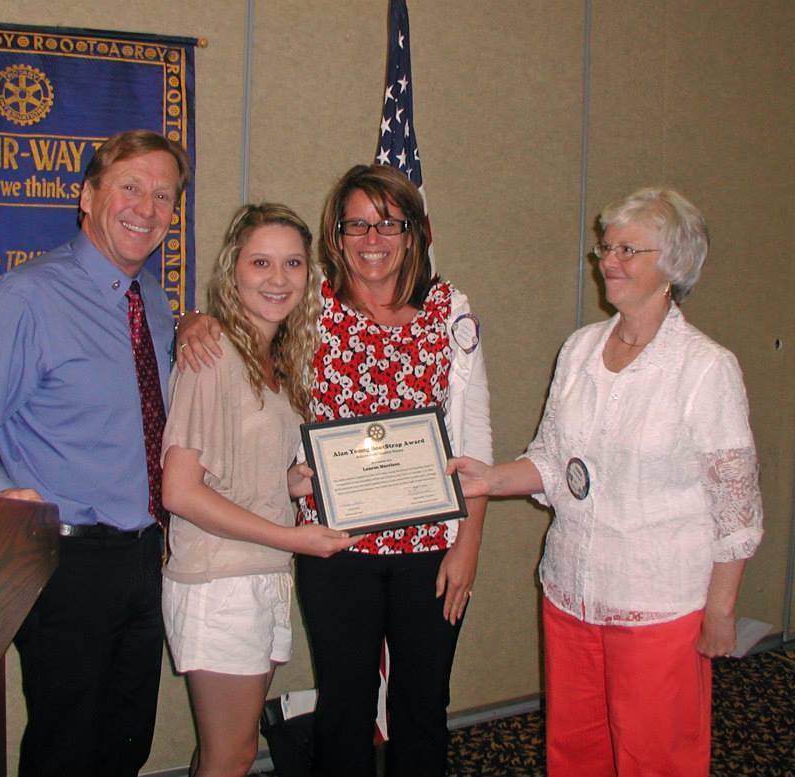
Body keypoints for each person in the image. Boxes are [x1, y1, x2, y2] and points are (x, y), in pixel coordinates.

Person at [177, 164, 492, 777]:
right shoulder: (311, 302)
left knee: (424, 705)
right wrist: (194, 321)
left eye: (389, 223)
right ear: (336, 234)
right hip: (334, 545)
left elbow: (474, 436)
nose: (372, 239)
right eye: (357, 224)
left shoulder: (450, 310)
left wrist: (469, 543)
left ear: (413, 232)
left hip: (431, 546)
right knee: (345, 707)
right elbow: (243, 317)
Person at [448, 188, 763, 777]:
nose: (608, 261)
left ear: (673, 265)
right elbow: (552, 461)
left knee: (655, 756)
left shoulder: (705, 368)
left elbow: (736, 507)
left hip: (656, 605)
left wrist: (721, 610)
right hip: (571, 594)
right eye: (605, 247)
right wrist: (489, 479)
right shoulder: (580, 349)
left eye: (627, 250)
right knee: (576, 750)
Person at [0, 130, 188, 777]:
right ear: (87, 196)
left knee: (126, 744)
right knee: (66, 752)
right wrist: (7, 500)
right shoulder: (29, 296)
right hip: (67, 562)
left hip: (147, 555)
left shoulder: (152, 300)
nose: (147, 208)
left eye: (164, 196)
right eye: (131, 187)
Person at [160, 203, 354, 777]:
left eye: (293, 263)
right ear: (233, 270)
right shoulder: (212, 353)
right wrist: (293, 538)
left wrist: (291, 483)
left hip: (259, 571)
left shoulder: (274, 357)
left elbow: (236, 474)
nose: (278, 278)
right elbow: (181, 492)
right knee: (233, 754)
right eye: (261, 262)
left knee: (227, 747)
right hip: (220, 578)